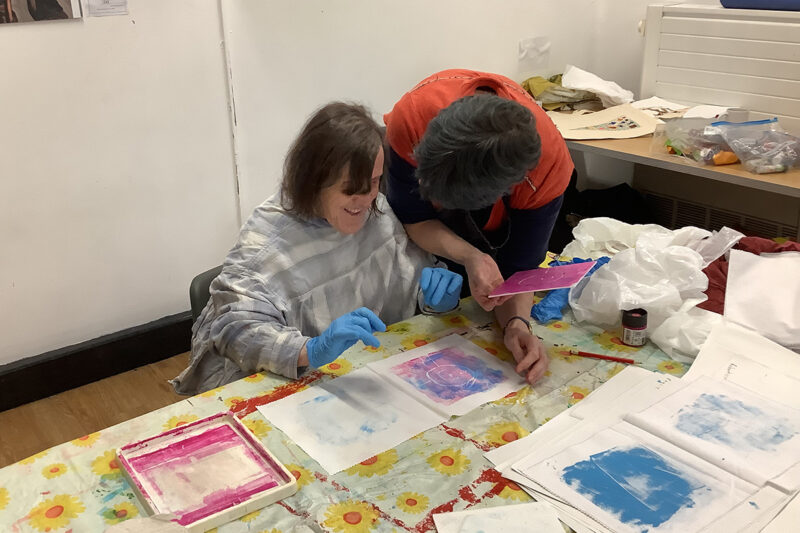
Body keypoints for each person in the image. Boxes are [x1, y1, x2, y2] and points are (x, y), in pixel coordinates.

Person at [172, 102, 462, 395]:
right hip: (289, 393)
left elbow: (407, 278)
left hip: (368, 378)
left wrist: (433, 295)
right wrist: (309, 350)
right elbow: (234, 330)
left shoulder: (378, 212)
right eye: (350, 188)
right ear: (313, 181)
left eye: (374, 183)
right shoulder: (265, 242)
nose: (365, 200)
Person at [384, 69, 575, 384]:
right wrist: (471, 256)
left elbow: (518, 272)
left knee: (488, 301)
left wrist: (516, 324)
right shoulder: (414, 117)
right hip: (432, 241)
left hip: (508, 207)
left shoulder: (546, 172)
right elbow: (414, 218)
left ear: (509, 190)